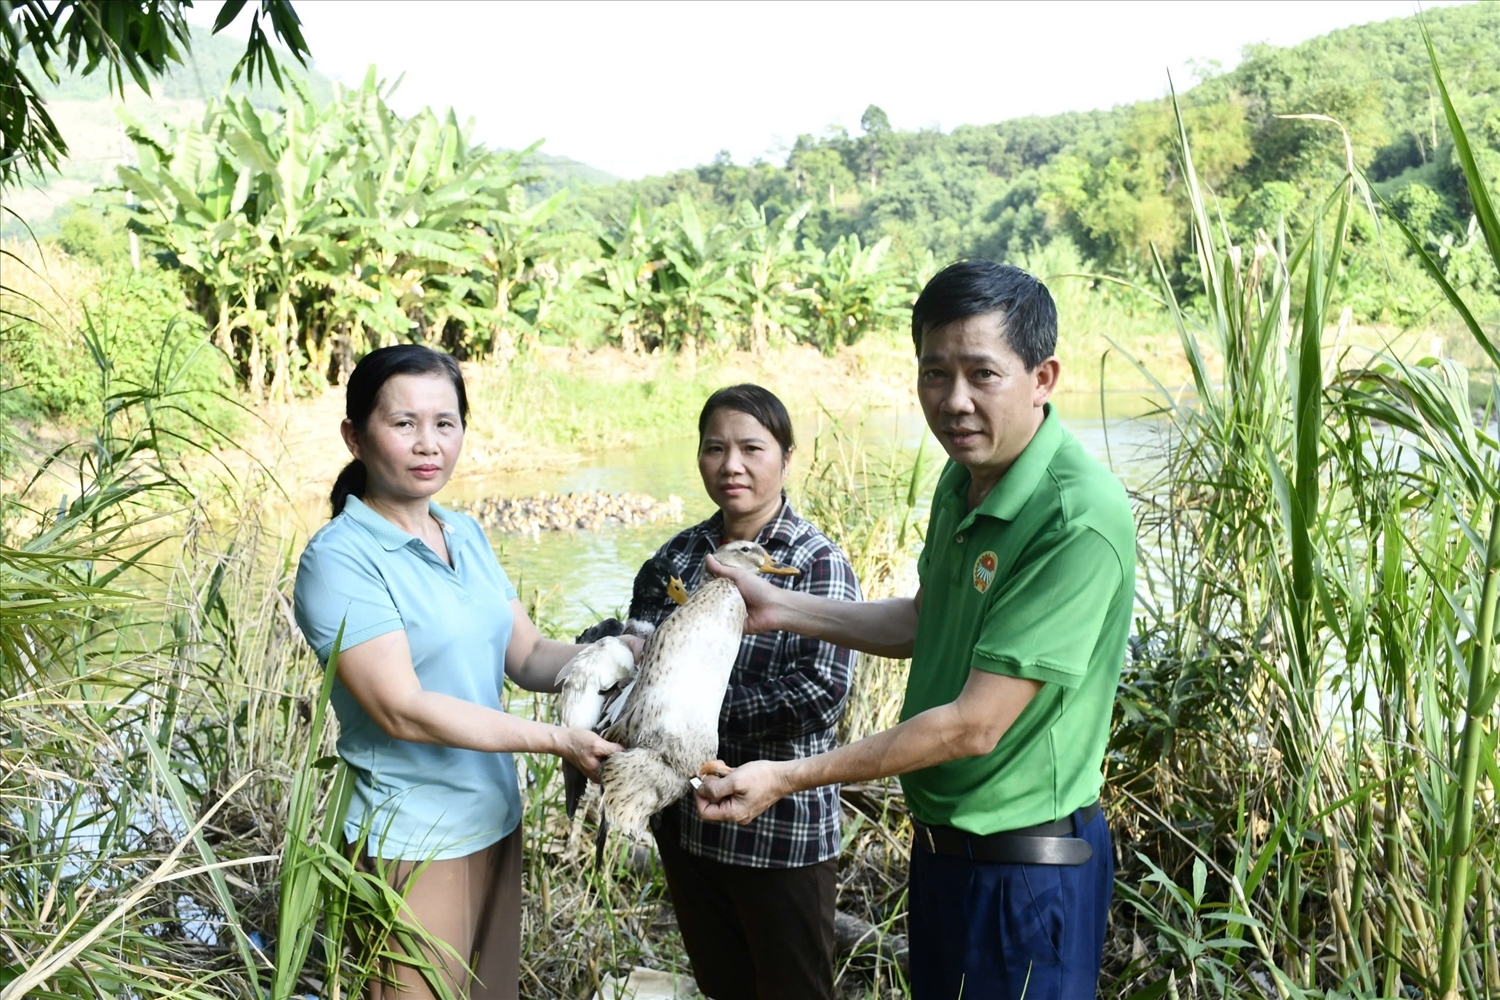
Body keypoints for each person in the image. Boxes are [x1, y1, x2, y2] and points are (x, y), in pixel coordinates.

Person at [694, 262, 1136, 1000]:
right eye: (935, 373)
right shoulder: (965, 479)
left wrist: (789, 777)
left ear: (1043, 377)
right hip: (944, 855)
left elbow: (973, 726)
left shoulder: (1075, 516)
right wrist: (778, 604)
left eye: (981, 375)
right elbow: (926, 621)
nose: (954, 402)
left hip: (1026, 871)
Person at [292, 344, 625, 1000]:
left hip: (494, 819)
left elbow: (528, 657)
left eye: (445, 423)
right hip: (409, 838)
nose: (428, 444)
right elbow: (401, 709)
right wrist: (559, 741)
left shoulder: (464, 532)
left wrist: (622, 655)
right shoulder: (338, 561)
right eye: (404, 423)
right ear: (355, 437)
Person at [637, 384, 861, 1000]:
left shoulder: (816, 563)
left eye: (751, 448)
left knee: (794, 990)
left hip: (781, 831)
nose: (730, 465)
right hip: (691, 824)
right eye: (715, 448)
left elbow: (821, 694)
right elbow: (639, 664)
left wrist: (693, 715)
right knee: (722, 985)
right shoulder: (677, 558)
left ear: (787, 458)